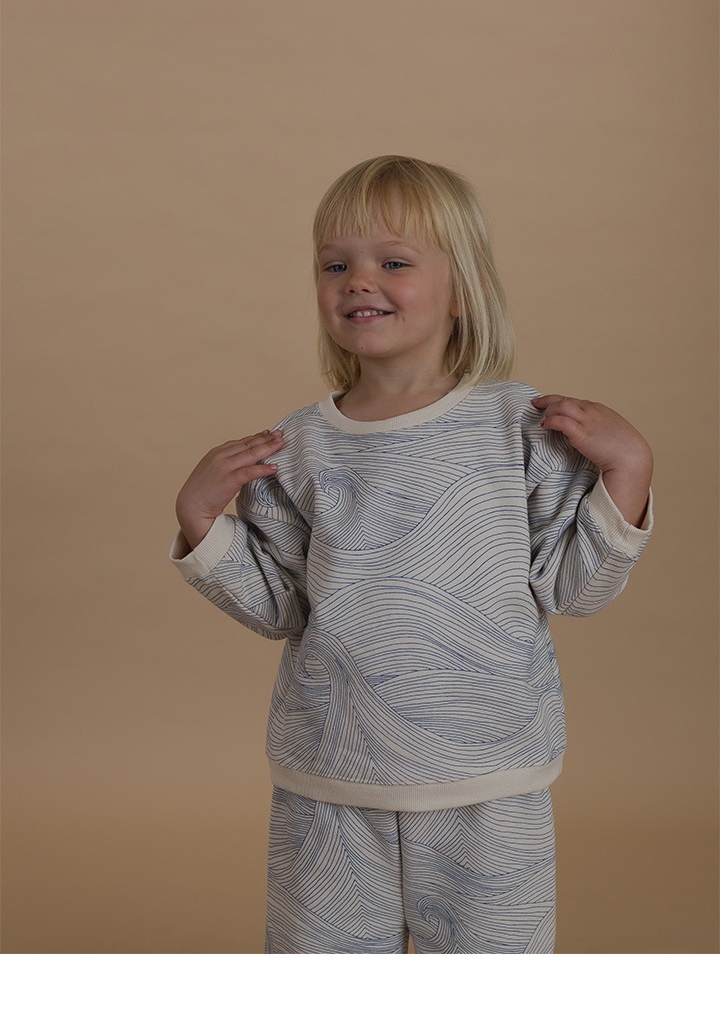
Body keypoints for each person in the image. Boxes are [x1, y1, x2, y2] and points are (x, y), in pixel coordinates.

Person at [170, 155, 653, 954]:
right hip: (328, 785)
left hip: (490, 786)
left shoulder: (523, 427)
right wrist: (199, 520)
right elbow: (282, 609)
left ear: (463, 290)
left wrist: (629, 470)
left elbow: (576, 589)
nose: (359, 280)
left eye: (393, 262)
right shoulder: (295, 446)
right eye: (335, 265)